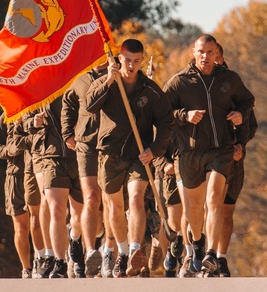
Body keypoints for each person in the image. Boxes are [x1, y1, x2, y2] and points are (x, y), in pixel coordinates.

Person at [163, 34, 255, 276]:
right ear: (194, 52)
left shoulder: (229, 79)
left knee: (214, 199)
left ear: (217, 54)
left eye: (210, 52)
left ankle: (212, 254)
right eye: (201, 52)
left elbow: (247, 101)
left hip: (220, 150)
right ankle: (197, 242)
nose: (205, 57)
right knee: (193, 207)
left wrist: (240, 113)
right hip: (190, 152)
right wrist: (184, 115)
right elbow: (162, 114)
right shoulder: (179, 82)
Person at [86, 39, 172, 277]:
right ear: (118, 59)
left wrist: (154, 150)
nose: (131, 65)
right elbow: (90, 106)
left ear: (142, 60)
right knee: (114, 205)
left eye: (136, 61)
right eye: (127, 60)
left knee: (135, 199)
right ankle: (121, 253)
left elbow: (166, 123)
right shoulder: (107, 83)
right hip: (110, 153)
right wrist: (109, 80)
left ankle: (135, 251)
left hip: (139, 156)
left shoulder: (151, 90)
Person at [23, 96, 84, 278]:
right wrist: (33, 122)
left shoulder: (79, 83)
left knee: (79, 215)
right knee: (55, 209)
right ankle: (59, 262)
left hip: (79, 156)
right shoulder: (42, 89)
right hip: (51, 157)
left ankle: (74, 238)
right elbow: (24, 120)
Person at [213, 42, 257, 278]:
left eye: (218, 58)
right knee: (210, 207)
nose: (215, 62)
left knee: (227, 211)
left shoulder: (234, 84)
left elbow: (251, 123)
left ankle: (221, 257)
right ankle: (199, 253)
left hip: (234, 160)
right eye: (210, 57)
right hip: (209, 159)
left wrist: (241, 144)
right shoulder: (199, 85)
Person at [62, 63, 107, 277]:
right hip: (86, 146)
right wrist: (67, 133)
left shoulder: (121, 76)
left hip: (112, 146)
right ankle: (87, 250)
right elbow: (68, 104)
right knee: (90, 198)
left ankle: (105, 250)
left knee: (107, 204)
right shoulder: (80, 80)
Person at [0, 113, 41, 278]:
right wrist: (8, 151)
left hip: (36, 173)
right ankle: (26, 268)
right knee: (21, 226)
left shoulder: (38, 111)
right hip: (15, 175)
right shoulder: (7, 116)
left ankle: (42, 260)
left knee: (38, 220)